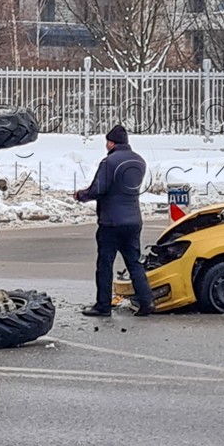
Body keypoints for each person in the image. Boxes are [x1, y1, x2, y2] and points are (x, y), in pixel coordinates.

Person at [75, 124, 154, 317]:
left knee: (105, 264)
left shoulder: (109, 162)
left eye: (107, 142)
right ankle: (146, 302)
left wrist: (80, 195)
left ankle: (103, 305)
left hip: (111, 222)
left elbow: (98, 190)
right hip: (133, 220)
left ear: (111, 143)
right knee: (134, 263)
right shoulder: (139, 161)